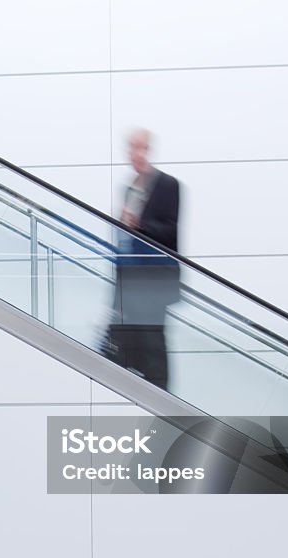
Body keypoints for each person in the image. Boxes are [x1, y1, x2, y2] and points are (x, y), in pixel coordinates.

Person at [102, 128, 181, 390]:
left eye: (142, 147)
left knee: (152, 340)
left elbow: (171, 230)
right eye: (132, 147)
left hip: (154, 281)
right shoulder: (128, 189)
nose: (136, 153)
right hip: (130, 280)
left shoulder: (167, 185)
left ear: (150, 150)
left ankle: (162, 399)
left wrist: (140, 224)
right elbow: (124, 243)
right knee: (126, 339)